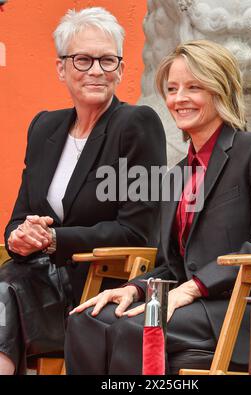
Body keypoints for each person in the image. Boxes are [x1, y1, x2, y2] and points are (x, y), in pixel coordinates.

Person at [64, 40, 251, 375]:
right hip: (194, 303)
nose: (179, 99)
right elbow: (173, 265)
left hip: (246, 306)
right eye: (172, 89)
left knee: (134, 328)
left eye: (194, 87)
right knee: (86, 320)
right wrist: (133, 288)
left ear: (221, 91)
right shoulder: (177, 175)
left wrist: (191, 289)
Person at [0, 7, 167, 375]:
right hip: (35, 281)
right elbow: (16, 221)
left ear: (121, 70)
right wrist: (21, 238)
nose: (96, 70)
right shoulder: (45, 126)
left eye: (107, 60)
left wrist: (54, 239)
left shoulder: (137, 124)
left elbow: (138, 232)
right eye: (83, 60)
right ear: (62, 68)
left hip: (99, 286)